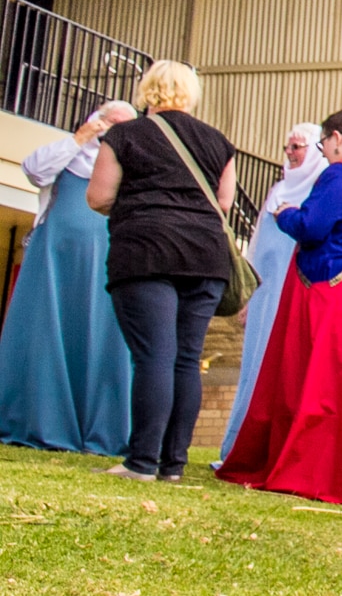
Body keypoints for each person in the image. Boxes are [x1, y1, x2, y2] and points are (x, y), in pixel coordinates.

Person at [218, 111, 342, 505]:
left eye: (323, 145)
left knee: (312, 380)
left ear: (336, 138)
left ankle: (312, 468)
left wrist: (284, 213)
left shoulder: (341, 175)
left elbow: (313, 226)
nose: (325, 152)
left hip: (327, 287)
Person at [88, 61, 236, 483]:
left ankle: (141, 462)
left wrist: (144, 206)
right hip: (205, 258)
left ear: (147, 90)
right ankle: (172, 464)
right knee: (186, 359)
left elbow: (98, 197)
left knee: (154, 355)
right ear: (191, 93)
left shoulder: (124, 135)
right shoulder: (218, 142)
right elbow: (223, 204)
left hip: (146, 252)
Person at [0, 100, 137, 455]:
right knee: (44, 334)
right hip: (55, 259)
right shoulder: (68, 152)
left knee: (100, 340)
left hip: (108, 262)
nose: (111, 130)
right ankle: (36, 421)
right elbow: (34, 170)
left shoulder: (132, 168)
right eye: (108, 121)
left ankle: (99, 431)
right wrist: (82, 137)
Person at [216, 122, 327, 464]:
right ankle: (239, 447)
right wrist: (248, 291)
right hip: (265, 294)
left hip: (292, 294)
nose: (291, 154)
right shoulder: (278, 189)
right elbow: (256, 246)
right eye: (288, 147)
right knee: (254, 364)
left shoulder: (319, 191)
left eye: (298, 147)